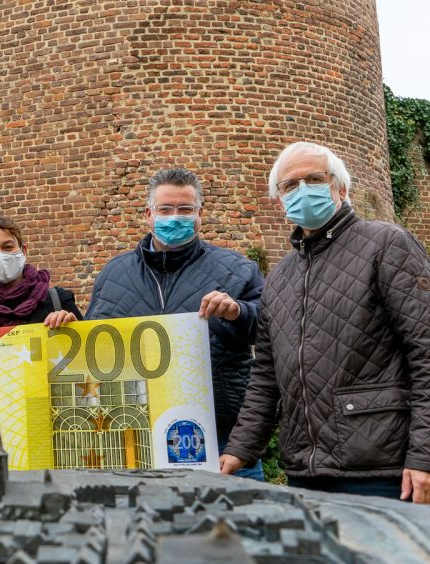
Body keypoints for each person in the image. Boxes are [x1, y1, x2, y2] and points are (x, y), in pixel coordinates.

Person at [220, 142, 430, 502]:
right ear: (280, 199)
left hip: (382, 468)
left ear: (341, 188)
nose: (302, 190)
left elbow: (425, 352)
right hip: (306, 469)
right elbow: (267, 375)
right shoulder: (281, 276)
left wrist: (424, 455)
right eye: (290, 185)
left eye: (314, 179)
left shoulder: (385, 245)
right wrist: (241, 448)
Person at [85, 167, 265, 479]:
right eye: (165, 209)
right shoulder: (113, 275)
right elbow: (94, 349)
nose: (175, 217)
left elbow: (270, 330)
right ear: (148, 214)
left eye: (185, 209)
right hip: (134, 438)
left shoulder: (238, 271)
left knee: (235, 526)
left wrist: (238, 312)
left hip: (221, 438)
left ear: (199, 215)